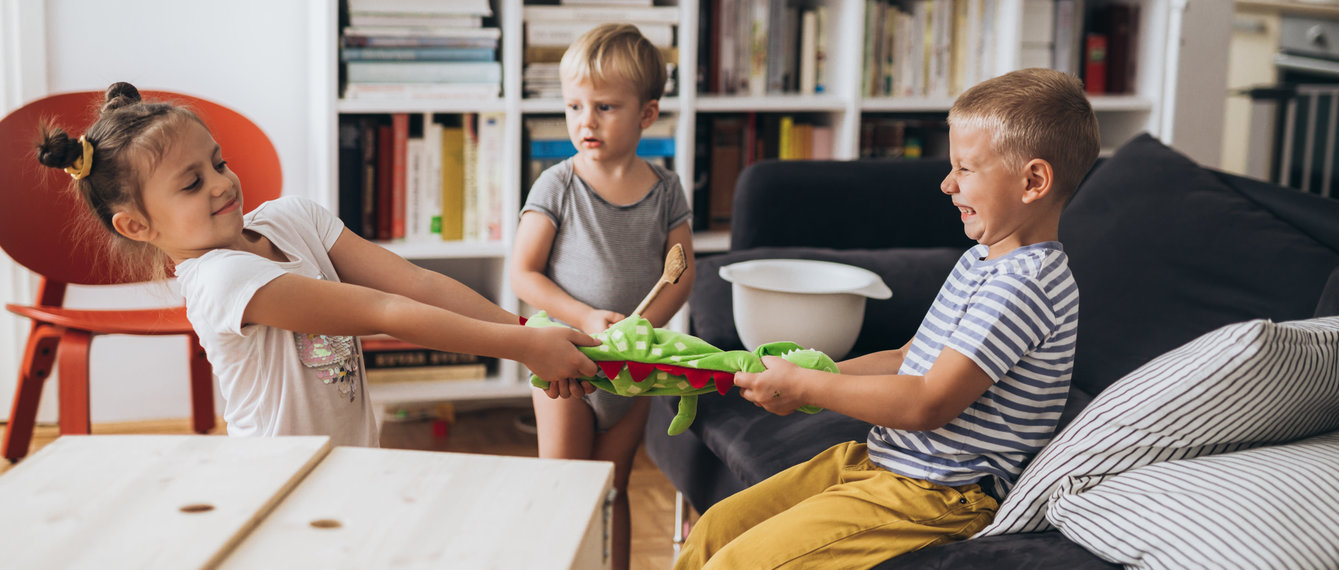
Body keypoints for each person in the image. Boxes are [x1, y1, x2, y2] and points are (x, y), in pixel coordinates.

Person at [675, 67, 1101, 569]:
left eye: (965, 169)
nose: (946, 183)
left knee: (739, 563)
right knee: (714, 531)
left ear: (1033, 181)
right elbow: (907, 359)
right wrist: (802, 376)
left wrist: (808, 389)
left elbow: (928, 402)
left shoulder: (1027, 285)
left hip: (938, 494)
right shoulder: (981, 260)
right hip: (880, 463)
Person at [35, 82, 599, 449]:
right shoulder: (220, 279)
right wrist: (525, 349)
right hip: (277, 487)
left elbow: (416, 282)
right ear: (137, 226)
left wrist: (529, 331)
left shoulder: (293, 217)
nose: (221, 182)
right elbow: (388, 310)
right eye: (191, 183)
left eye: (218, 162)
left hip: (353, 462)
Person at [510, 23, 695, 570]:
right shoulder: (556, 185)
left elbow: (681, 274)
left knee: (616, 485)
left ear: (647, 113)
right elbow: (523, 274)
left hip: (630, 364)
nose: (585, 121)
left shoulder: (667, 190)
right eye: (574, 106)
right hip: (564, 357)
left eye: (605, 107)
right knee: (566, 485)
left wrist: (638, 333)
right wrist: (586, 316)